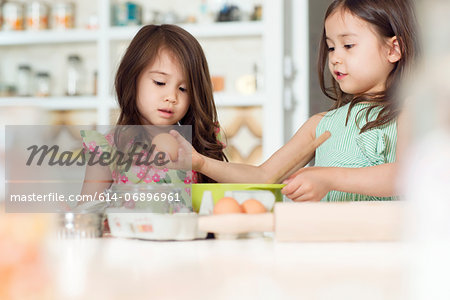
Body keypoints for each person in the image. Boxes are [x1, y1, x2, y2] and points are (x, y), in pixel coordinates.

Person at [177, 0, 418, 202]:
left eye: (348, 45)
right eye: (331, 47)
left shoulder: (409, 112)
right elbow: (262, 176)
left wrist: (328, 177)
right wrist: (200, 162)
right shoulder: (320, 125)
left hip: (386, 250)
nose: (334, 58)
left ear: (393, 49)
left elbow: (405, 175)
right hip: (327, 248)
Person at [80, 24, 226, 209]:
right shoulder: (107, 147)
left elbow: (226, 200)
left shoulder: (197, 144)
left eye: (184, 89)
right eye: (160, 82)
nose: (172, 97)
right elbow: (88, 211)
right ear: (132, 78)